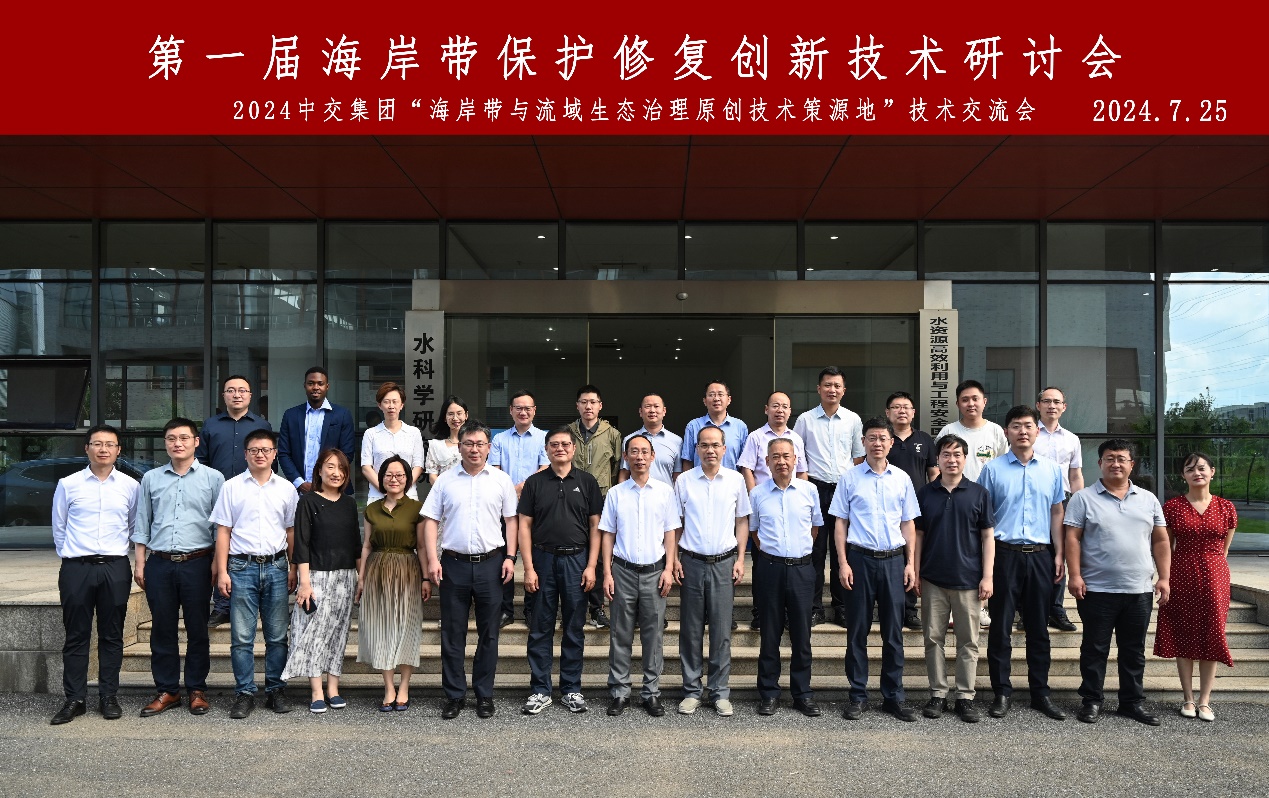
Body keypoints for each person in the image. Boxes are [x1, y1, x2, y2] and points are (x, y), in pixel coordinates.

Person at [1064, 440, 1171, 726]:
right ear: (1100, 463)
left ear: (1131, 464)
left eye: (1122, 459)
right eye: (1109, 458)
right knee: (1094, 648)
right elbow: (1072, 539)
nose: (1116, 464)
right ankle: (1091, 701)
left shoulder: (1148, 499)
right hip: (1097, 589)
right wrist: (1075, 575)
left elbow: (1160, 540)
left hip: (1138, 589)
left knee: (1133, 650)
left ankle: (1131, 703)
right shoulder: (1083, 498)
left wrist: (1164, 577)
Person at [422, 420, 519, 720]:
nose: (474, 449)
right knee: (453, 633)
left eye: (480, 444)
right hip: (453, 565)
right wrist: (432, 560)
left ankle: (484, 694)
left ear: (489, 447)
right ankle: (454, 695)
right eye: (468, 444)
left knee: (489, 634)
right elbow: (430, 521)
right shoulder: (445, 481)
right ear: (460, 446)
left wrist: (510, 557)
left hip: (492, 564)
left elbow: (511, 520)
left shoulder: (501, 480)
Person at [977, 405, 1067, 721]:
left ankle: (1040, 693)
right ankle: (1001, 692)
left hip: (1041, 555)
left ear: (1037, 431)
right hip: (1004, 555)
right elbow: (984, 520)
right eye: (1016, 426)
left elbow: (1057, 512)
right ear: (1007, 432)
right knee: (1000, 628)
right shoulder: (992, 470)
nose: (1023, 431)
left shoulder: (1052, 470)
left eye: (1028, 425)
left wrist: (1059, 553)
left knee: (1038, 628)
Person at [131, 418, 225, 718]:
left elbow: (220, 526)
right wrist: (140, 562)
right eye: (172, 438)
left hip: (198, 563)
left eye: (184, 438)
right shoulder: (151, 478)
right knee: (162, 629)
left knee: (198, 628)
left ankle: (196, 689)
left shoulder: (214, 478)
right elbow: (142, 521)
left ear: (196, 442)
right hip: (159, 563)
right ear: (166, 443)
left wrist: (217, 563)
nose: (178, 443)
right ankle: (167, 690)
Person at [831, 417, 921, 722]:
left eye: (883, 438)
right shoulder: (850, 478)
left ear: (891, 443)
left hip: (894, 562)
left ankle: (893, 696)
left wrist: (910, 563)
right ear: (864, 442)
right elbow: (840, 523)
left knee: (893, 632)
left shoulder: (902, 479)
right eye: (872, 438)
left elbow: (908, 524)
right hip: (860, 560)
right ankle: (858, 695)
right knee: (857, 631)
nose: (877, 443)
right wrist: (843, 562)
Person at [49, 425, 139, 726]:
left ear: (118, 450)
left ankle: (108, 696)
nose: (103, 449)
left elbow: (133, 526)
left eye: (110, 444)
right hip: (77, 568)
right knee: (76, 635)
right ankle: (74, 699)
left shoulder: (130, 486)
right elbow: (59, 527)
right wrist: (73, 555)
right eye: (97, 443)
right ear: (86, 448)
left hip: (115, 567)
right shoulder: (69, 484)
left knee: (112, 634)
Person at [210, 429, 300, 719]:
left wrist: (293, 567)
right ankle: (244, 693)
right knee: (242, 637)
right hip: (241, 567)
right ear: (245, 454)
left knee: (277, 636)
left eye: (265, 450)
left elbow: (291, 531)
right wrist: (222, 571)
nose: (260, 454)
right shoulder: (231, 487)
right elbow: (223, 531)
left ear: (274, 454)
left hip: (276, 567)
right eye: (254, 450)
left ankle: (275, 689)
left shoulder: (286, 489)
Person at [518, 427, 603, 715]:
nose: (560, 448)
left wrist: (591, 566)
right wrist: (528, 567)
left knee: (574, 628)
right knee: (540, 628)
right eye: (554, 444)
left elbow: (595, 526)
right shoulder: (534, 483)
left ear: (574, 448)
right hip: (542, 560)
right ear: (546, 449)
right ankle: (540, 690)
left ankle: (571, 689)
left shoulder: (587, 482)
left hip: (577, 561)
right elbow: (524, 526)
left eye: (565, 444)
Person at [913, 434, 996, 723]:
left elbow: (988, 536)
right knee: (933, 639)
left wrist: (988, 576)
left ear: (965, 458)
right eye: (946, 454)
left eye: (957, 454)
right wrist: (916, 571)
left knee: (968, 641)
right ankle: (938, 693)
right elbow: (918, 535)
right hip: (933, 578)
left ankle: (965, 696)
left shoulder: (979, 493)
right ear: (938, 459)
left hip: (968, 580)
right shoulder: (925, 493)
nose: (952, 460)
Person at [1153, 452, 1238, 723]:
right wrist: (1164, 577)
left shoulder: (1226, 507)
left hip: (1215, 575)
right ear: (1183, 476)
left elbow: (1224, 549)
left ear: (1212, 471)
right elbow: (1166, 545)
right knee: (1183, 633)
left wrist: (1211, 567)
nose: (1196, 473)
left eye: (1202, 468)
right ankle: (1188, 698)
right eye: (1190, 469)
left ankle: (1205, 701)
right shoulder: (1172, 507)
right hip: (1181, 574)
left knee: (1212, 633)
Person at [600, 434, 680, 717]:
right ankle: (619, 692)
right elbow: (608, 534)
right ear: (626, 457)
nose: (639, 457)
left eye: (645, 452)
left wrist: (669, 568)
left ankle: (651, 693)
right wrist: (607, 572)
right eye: (634, 452)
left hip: (654, 572)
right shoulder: (616, 493)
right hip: (622, 571)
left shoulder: (665, 492)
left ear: (653, 456)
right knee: (620, 634)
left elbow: (670, 532)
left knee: (653, 636)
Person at [674, 425, 751, 717]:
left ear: (724, 449)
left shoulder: (735, 480)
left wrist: (741, 559)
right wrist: (675, 558)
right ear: (696, 449)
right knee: (690, 631)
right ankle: (692, 691)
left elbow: (742, 521)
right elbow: (676, 522)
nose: (710, 450)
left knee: (721, 632)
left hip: (723, 563)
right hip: (691, 562)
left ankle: (720, 692)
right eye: (704, 445)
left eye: (715, 445)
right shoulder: (684, 481)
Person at [282, 448, 363, 714]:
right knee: (314, 632)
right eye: (330, 466)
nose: (336, 473)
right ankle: (316, 690)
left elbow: (356, 544)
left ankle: (333, 689)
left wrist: (360, 578)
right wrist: (304, 582)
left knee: (338, 633)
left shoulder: (349, 503)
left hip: (345, 577)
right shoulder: (308, 501)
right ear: (319, 470)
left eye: (341, 468)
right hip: (316, 576)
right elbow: (302, 544)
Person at [748, 437, 823, 717]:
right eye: (775, 457)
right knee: (770, 634)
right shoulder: (757, 494)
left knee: (802, 635)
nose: (781, 461)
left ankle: (802, 693)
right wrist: (775, 555)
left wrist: (796, 554)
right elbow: (754, 533)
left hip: (802, 570)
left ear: (795, 460)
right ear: (767, 462)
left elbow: (815, 529)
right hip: (770, 569)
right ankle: (769, 693)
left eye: (786, 456)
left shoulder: (809, 490)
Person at [195, 375, 272, 628]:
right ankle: (222, 606)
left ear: (250, 395)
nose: (236, 395)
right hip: (219, 496)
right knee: (221, 547)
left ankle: (252, 602)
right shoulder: (211, 425)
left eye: (242, 390)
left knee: (247, 548)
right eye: (231, 390)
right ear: (224, 395)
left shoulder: (262, 425)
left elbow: (268, 459)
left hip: (253, 495)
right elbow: (201, 461)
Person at [356, 456, 431, 711]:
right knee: (382, 629)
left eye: (399, 475)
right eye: (389, 475)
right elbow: (366, 546)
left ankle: (405, 686)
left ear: (408, 479)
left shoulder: (417, 508)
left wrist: (426, 578)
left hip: (407, 569)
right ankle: (389, 687)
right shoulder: (372, 509)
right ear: (381, 479)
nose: (394, 479)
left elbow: (421, 546)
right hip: (377, 570)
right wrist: (361, 578)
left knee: (406, 629)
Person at [792, 366, 864, 628]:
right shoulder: (805, 420)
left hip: (844, 490)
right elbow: (798, 457)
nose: (832, 390)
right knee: (815, 550)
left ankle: (841, 606)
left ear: (844, 390)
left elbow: (858, 457)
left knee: (842, 549)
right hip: (815, 488)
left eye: (837, 386)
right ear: (819, 389)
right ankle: (814, 608)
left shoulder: (853, 419)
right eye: (827, 385)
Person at [937, 379, 1008, 630]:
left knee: (981, 553)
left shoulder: (995, 432)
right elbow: (939, 466)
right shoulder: (949, 430)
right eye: (965, 399)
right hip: (953, 500)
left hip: (985, 503)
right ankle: (949, 608)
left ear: (984, 402)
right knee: (954, 552)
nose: (971, 404)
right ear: (957, 403)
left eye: (975, 399)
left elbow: (1003, 466)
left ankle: (981, 606)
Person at [489, 389, 550, 627]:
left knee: (534, 559)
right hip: (505, 508)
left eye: (527, 408)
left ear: (534, 410)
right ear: (511, 411)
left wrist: (520, 487)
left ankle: (531, 608)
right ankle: (506, 609)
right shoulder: (499, 439)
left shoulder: (544, 438)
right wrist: (510, 490)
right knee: (505, 557)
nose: (523, 412)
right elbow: (494, 470)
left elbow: (546, 468)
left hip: (536, 507)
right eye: (518, 408)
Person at [883, 391, 939, 630]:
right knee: (889, 557)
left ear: (914, 413)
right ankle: (888, 607)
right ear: (888, 412)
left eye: (906, 407)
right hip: (886, 510)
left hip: (916, 510)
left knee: (911, 557)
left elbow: (933, 473)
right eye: (896, 407)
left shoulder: (924, 440)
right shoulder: (883, 439)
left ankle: (909, 609)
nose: (901, 411)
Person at [568, 384, 622, 629]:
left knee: (599, 556)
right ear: (577, 405)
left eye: (593, 402)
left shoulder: (612, 434)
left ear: (600, 406)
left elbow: (617, 467)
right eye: (583, 402)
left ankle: (596, 608)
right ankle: (573, 608)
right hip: (571, 498)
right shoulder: (569, 432)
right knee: (574, 551)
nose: (588, 406)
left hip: (601, 498)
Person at [1033, 387, 1084, 632]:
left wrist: (1079, 503)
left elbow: (1075, 475)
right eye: (1046, 401)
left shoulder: (1071, 439)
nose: (1051, 406)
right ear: (1038, 405)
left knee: (1059, 554)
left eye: (1056, 402)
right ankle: (1027, 610)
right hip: (1031, 500)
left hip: (1062, 502)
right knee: (1030, 553)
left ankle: (1055, 609)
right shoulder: (1029, 433)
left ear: (1064, 407)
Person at [278, 366, 355, 494]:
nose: (315, 387)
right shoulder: (290, 415)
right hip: (298, 490)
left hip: (333, 489)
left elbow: (347, 453)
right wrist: (299, 483)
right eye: (311, 383)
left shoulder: (342, 415)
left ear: (327, 386)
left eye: (320, 383)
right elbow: (283, 453)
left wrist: (326, 481)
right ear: (304, 386)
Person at [361, 382, 425, 501]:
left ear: (402, 405)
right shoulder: (371, 433)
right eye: (386, 402)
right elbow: (366, 467)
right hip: (378, 495)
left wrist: (402, 489)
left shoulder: (413, 433)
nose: (391, 406)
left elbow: (418, 465)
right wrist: (384, 489)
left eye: (395, 401)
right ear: (379, 405)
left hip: (408, 495)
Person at [737, 391, 808, 490]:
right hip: (764, 495)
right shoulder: (755, 437)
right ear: (766, 409)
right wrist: (754, 495)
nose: (780, 410)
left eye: (784, 407)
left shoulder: (796, 439)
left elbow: (801, 471)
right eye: (775, 406)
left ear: (790, 411)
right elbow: (747, 470)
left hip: (791, 495)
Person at [680, 381, 749, 472]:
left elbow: (745, 464)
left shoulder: (740, 426)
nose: (716, 399)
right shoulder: (693, 426)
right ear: (705, 401)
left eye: (720, 394)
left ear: (729, 399)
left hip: (731, 480)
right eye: (711, 395)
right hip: (700, 479)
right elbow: (688, 460)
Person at [618, 393, 683, 486]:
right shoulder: (629, 440)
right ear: (640, 411)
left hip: (665, 494)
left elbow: (677, 476)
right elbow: (624, 474)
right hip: (636, 494)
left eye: (656, 406)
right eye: (648, 406)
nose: (652, 410)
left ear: (664, 411)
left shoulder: (677, 441)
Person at [426, 396, 468, 482]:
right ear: (445, 417)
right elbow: (432, 476)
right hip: (443, 490)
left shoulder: (474, 444)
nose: (455, 418)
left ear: (466, 415)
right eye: (451, 414)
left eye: (459, 413)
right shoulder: (436, 445)